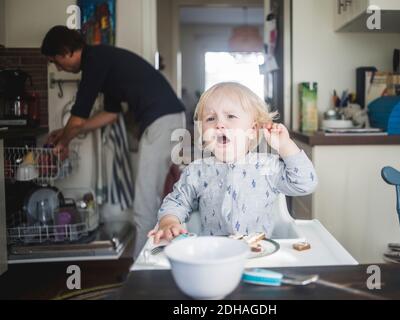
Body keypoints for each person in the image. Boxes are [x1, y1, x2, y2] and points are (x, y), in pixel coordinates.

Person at [41, 26, 186, 257]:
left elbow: (77, 120)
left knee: (144, 205)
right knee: (152, 200)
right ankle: (153, 265)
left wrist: (64, 142)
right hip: (165, 120)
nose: (58, 68)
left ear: (67, 51)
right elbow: (110, 113)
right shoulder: (103, 60)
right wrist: (64, 132)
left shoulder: (94, 61)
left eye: (56, 61)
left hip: (162, 122)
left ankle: (143, 274)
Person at [150, 82, 317, 244]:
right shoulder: (197, 171)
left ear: (252, 130)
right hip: (213, 254)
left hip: (260, 252)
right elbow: (177, 201)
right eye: (210, 118)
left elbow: (305, 183)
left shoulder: (268, 167)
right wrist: (168, 221)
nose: (219, 124)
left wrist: (285, 146)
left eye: (230, 116)